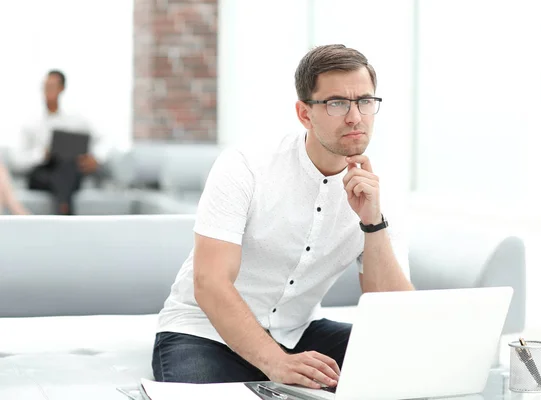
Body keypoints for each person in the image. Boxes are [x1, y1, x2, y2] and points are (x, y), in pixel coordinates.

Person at [152, 44, 414, 389]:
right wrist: (275, 362)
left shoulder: (379, 190)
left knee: (403, 361)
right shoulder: (246, 165)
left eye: (365, 101)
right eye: (337, 103)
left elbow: (397, 314)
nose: (355, 117)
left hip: (298, 333)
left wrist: (372, 223)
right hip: (205, 332)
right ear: (305, 113)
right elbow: (210, 283)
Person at [11, 70, 109, 215]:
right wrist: (42, 155)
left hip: (68, 170)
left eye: (52, 87)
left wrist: (96, 159)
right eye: (45, 87)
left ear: (62, 89)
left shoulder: (76, 119)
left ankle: (62, 208)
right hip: (41, 173)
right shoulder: (30, 122)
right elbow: (17, 160)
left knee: (67, 166)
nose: (47, 91)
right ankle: (66, 211)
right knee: (61, 176)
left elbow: (104, 140)